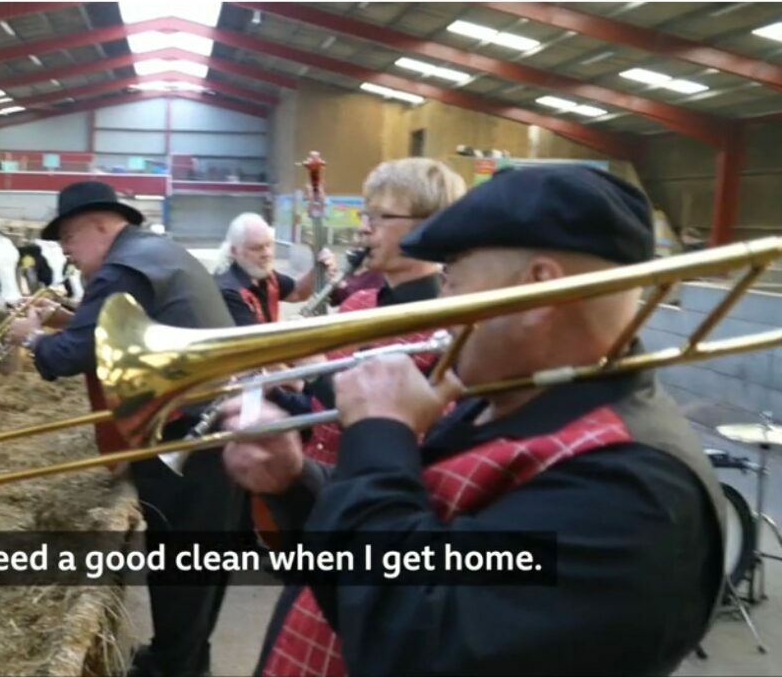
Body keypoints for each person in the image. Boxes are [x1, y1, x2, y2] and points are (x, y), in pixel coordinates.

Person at [220, 165, 726, 676]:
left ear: (538, 292)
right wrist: (294, 478)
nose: (442, 306)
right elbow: (418, 519)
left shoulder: (635, 490)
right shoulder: (508, 396)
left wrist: (377, 435)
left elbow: (413, 636)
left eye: (454, 279)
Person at [6, 181, 241, 677]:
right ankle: (182, 661)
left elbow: (76, 354)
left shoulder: (123, 268)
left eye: (68, 235)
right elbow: (116, 335)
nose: (65, 250)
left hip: (184, 439)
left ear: (101, 225)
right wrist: (64, 318)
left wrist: (31, 340)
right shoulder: (154, 252)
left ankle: (171, 667)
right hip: (212, 430)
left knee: (182, 569)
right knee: (199, 571)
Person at [302, 158, 466, 466]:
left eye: (380, 218)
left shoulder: (450, 329)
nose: (364, 229)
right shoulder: (356, 303)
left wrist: (314, 370)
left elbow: (407, 432)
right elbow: (320, 417)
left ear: (429, 227)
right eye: (366, 215)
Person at [215, 212, 338, 326]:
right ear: (235, 251)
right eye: (256, 248)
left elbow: (297, 293)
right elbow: (253, 343)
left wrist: (319, 268)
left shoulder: (264, 276)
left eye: (269, 244)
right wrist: (291, 326)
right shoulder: (228, 291)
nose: (267, 253)